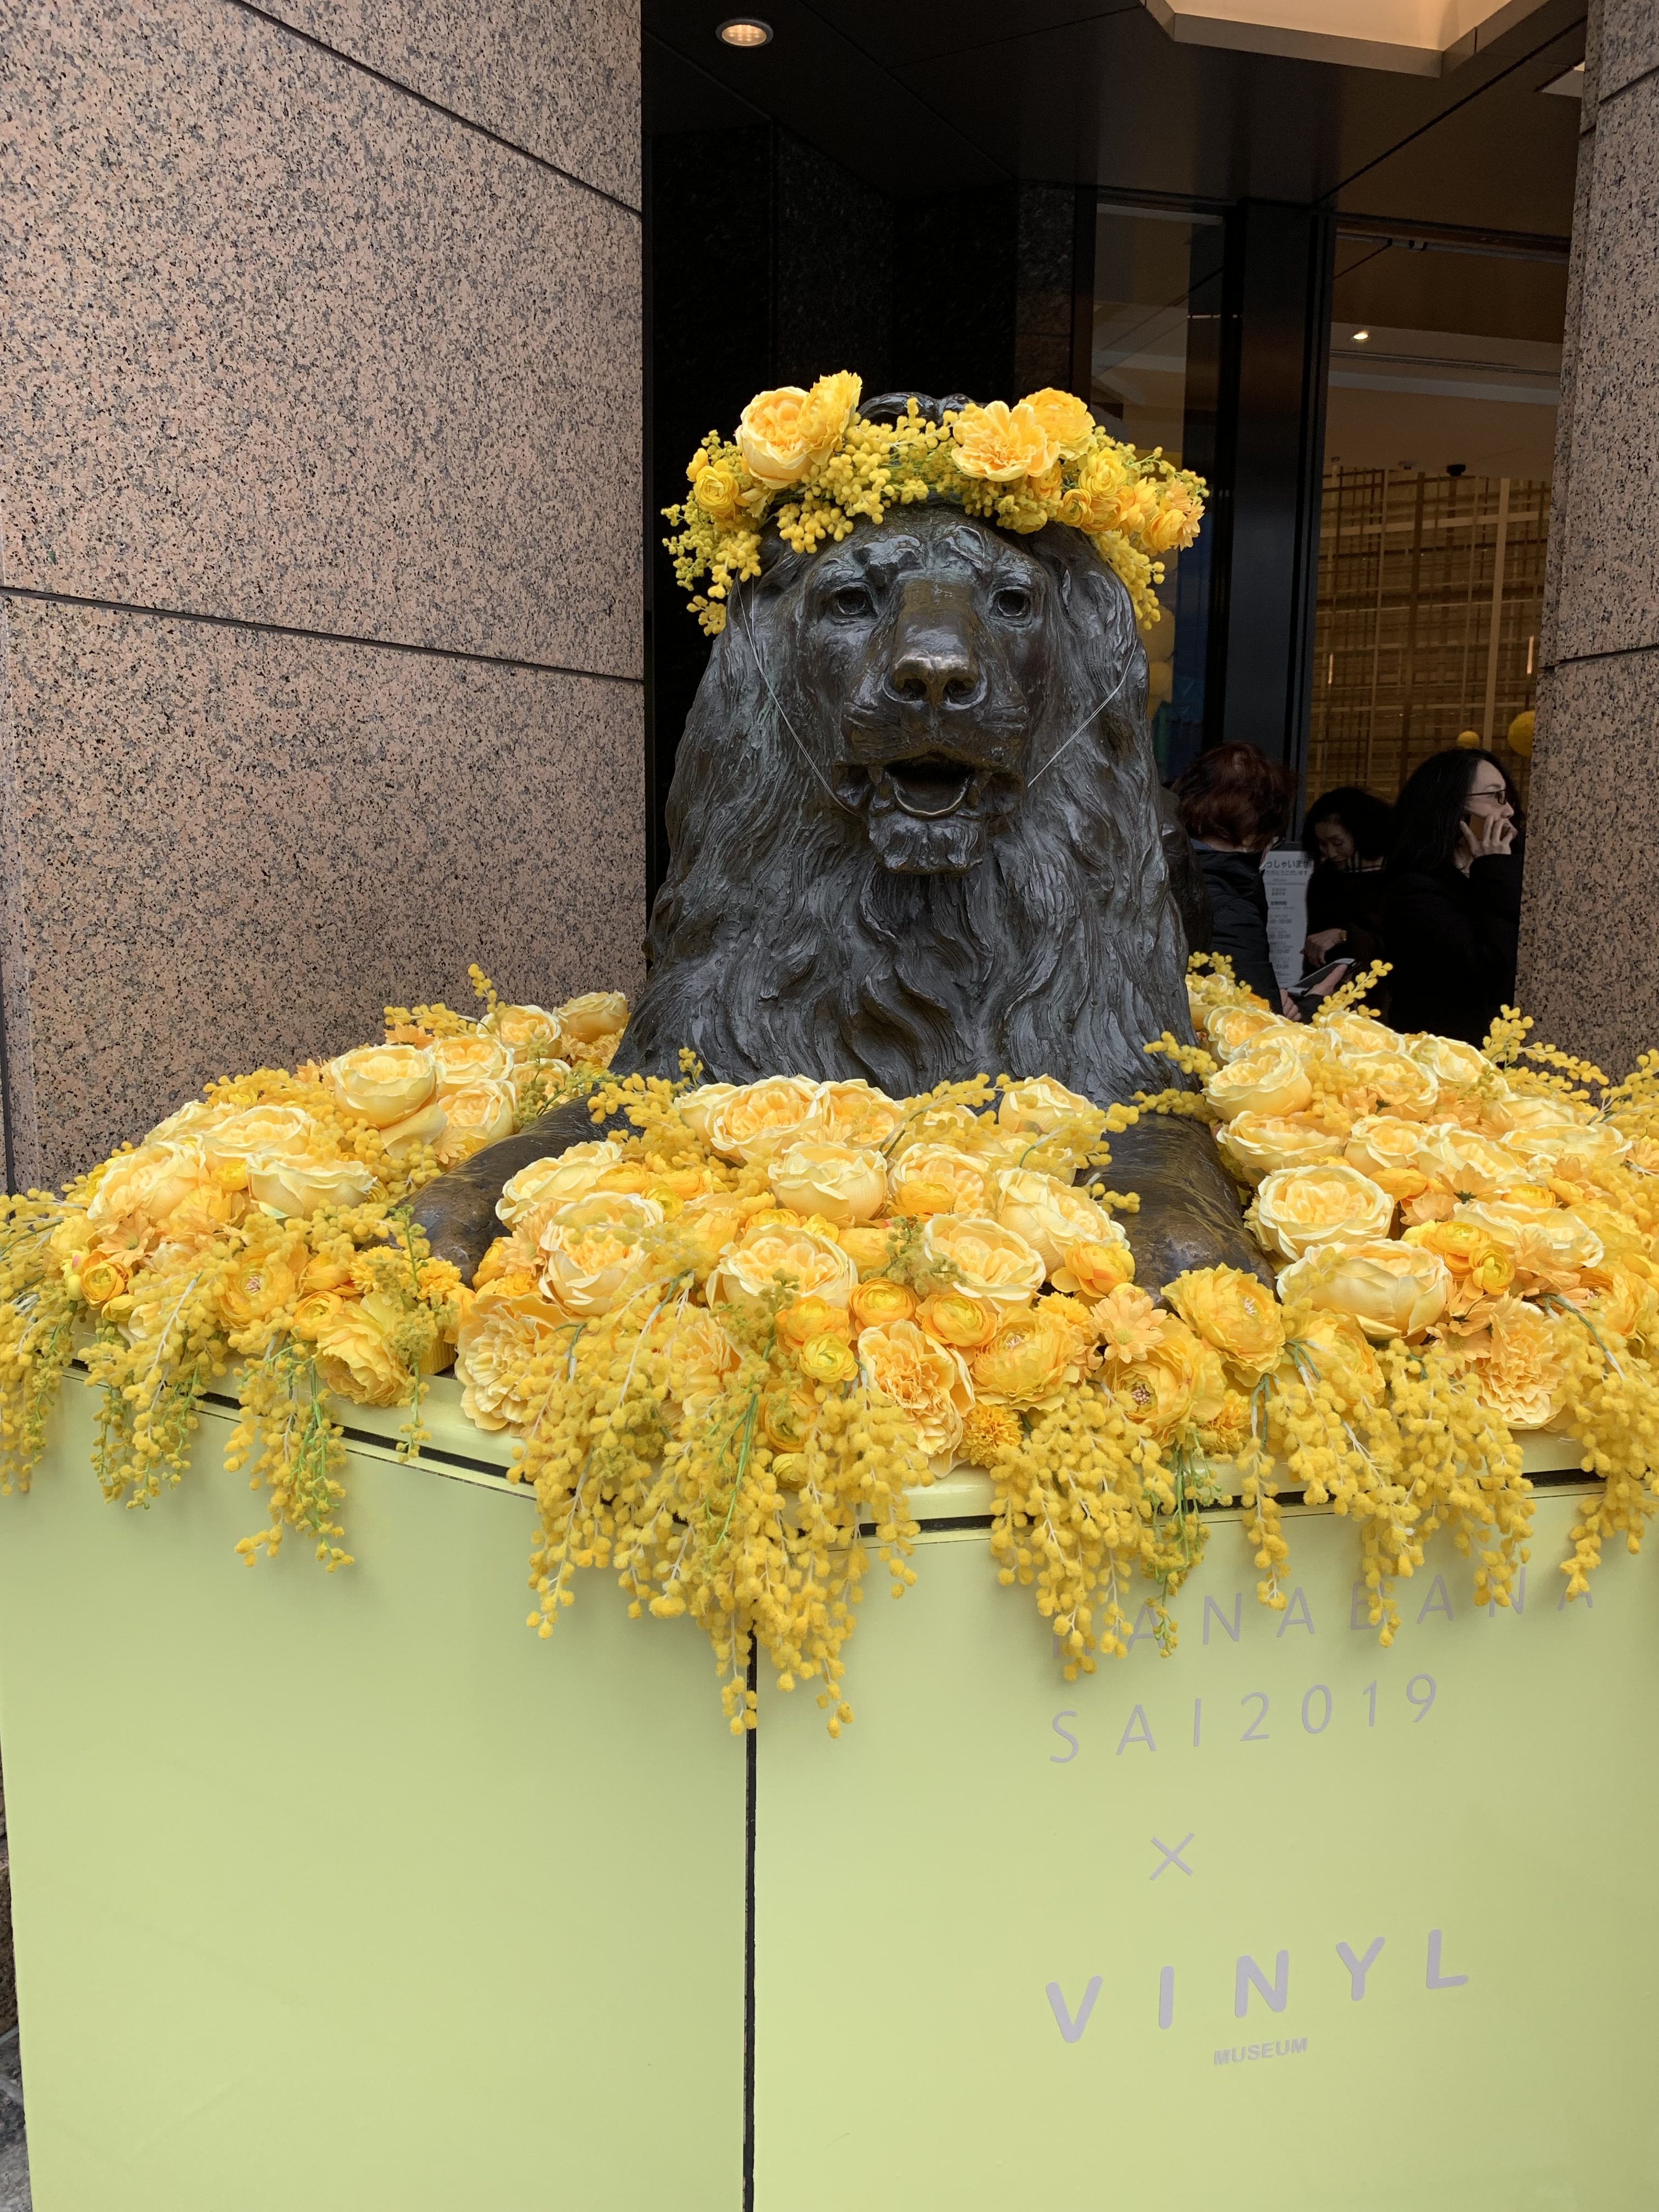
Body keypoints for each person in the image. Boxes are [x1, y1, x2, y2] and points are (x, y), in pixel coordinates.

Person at [1381, 747, 1522, 1045]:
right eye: (1494, 796)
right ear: (1452, 808)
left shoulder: (1509, 870)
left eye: (1507, 796)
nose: (1507, 809)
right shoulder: (1414, 889)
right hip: (1449, 1057)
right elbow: (1488, 966)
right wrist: (1494, 868)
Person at [1172, 743, 1295, 1010]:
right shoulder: (1230, 909)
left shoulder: (1158, 873)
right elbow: (1252, 1030)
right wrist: (1311, 1005)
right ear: (1254, 832)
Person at [1301, 785, 1392, 973]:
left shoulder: (1394, 873)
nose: (1330, 853)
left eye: (1338, 843)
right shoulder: (1325, 876)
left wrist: (1344, 936)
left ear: (1361, 834)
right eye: (1322, 844)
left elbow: (1401, 939)